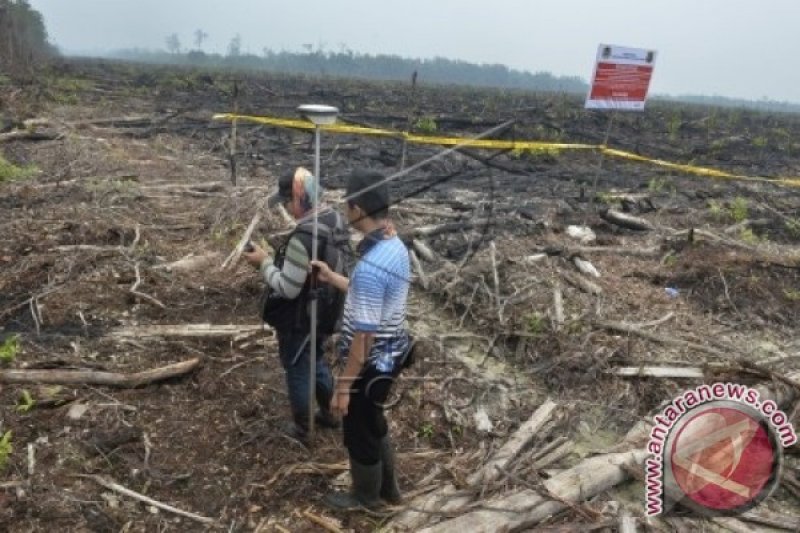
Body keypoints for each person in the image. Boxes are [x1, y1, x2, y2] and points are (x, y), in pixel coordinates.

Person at [312, 169, 411, 509]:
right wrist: (332, 277)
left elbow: (363, 340)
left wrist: (342, 387)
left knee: (357, 428)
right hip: (393, 350)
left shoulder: (371, 267)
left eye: (345, 206)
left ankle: (366, 497)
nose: (343, 211)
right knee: (373, 418)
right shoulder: (393, 244)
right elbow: (371, 296)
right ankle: (390, 490)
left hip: (370, 360)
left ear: (356, 209)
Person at [243, 166, 346, 445]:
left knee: (297, 367)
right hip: (326, 310)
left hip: (301, 316)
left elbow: (288, 288)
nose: (287, 208)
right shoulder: (334, 218)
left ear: (299, 199)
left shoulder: (303, 238)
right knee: (315, 359)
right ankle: (332, 413)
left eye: (288, 202)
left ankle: (304, 429)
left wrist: (264, 262)